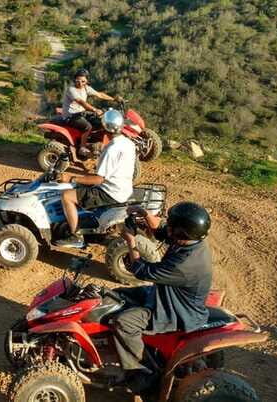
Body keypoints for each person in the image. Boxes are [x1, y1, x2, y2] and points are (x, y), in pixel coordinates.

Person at [113, 202, 213, 393]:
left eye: (172, 225)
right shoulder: (192, 241)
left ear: (181, 233)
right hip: (167, 295)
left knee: (124, 322)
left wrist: (130, 240)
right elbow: (162, 233)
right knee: (116, 296)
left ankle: (141, 371)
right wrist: (145, 215)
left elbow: (141, 270)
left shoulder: (185, 264)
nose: (168, 227)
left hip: (174, 311)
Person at [55, 109, 136, 248]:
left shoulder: (111, 149)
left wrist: (71, 178)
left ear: (104, 128)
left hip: (110, 192)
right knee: (82, 188)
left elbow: (99, 179)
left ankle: (75, 236)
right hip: (124, 189)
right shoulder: (129, 143)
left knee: (67, 195)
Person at [61, 69, 120, 154]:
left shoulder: (86, 88)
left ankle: (96, 143)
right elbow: (81, 102)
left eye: (83, 81)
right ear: (74, 80)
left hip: (81, 113)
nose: (80, 83)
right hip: (71, 116)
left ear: (87, 81)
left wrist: (114, 99)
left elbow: (99, 94)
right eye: (78, 81)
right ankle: (82, 148)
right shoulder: (71, 89)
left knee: (101, 120)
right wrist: (94, 109)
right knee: (87, 126)